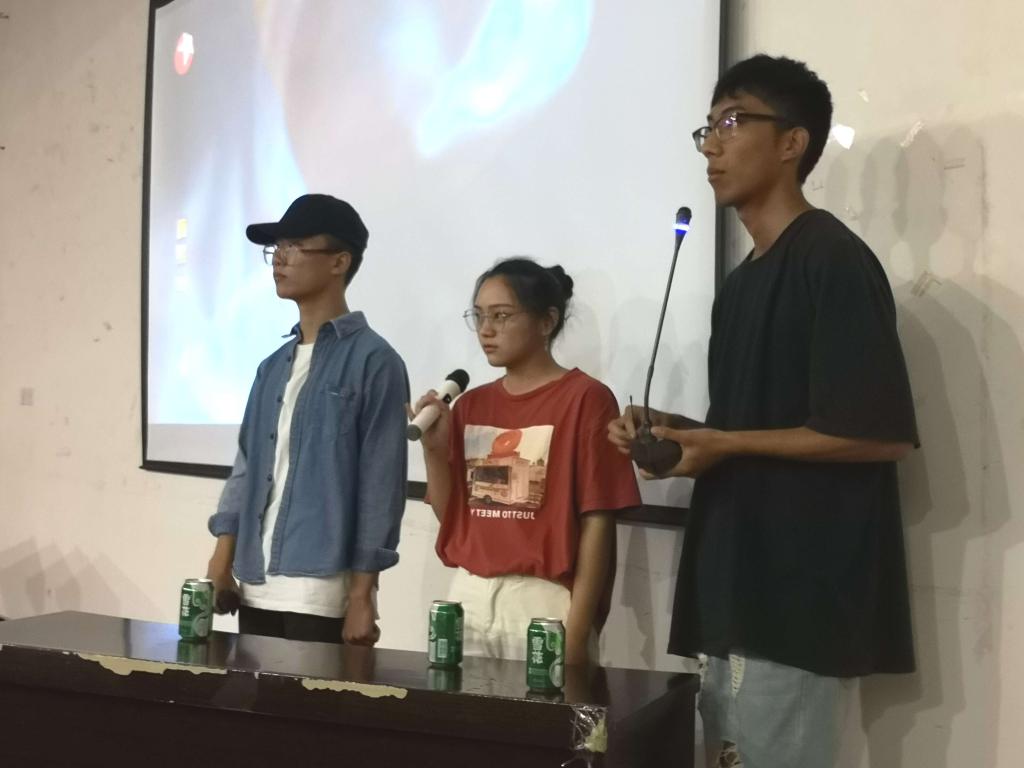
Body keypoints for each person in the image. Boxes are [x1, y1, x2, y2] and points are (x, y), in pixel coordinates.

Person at [608, 55, 919, 767]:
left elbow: (876, 434)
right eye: (707, 129)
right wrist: (674, 430)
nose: (711, 146)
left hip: (796, 592)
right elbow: (752, 425)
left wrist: (722, 444)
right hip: (735, 582)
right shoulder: (743, 281)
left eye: (731, 122)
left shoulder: (832, 258)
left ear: (792, 142)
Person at [413, 258, 640, 665]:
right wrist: (433, 450)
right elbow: (455, 519)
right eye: (479, 316)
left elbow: (598, 523)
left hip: (542, 598)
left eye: (501, 316)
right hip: (468, 594)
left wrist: (578, 633)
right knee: (455, 706)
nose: (486, 329)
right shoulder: (471, 404)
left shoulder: (585, 399)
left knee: (545, 708)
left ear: (546, 321)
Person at [205, 194, 409, 646]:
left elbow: (381, 485)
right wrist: (221, 560)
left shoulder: (375, 361)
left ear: (339, 261)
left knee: (309, 694)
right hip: (254, 582)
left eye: (295, 245)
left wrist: (363, 595)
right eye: (276, 247)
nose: (280, 258)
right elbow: (246, 468)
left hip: (321, 590)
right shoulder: (272, 366)